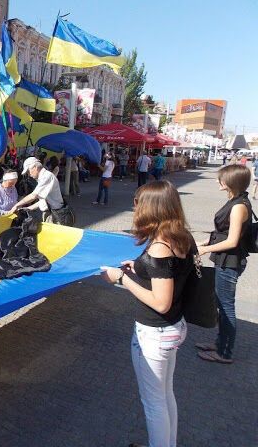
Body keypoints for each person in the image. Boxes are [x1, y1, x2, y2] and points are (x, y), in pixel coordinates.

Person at [102, 180, 193, 447]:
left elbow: (161, 301)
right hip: (173, 328)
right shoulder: (179, 236)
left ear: (152, 207)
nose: (135, 207)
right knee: (165, 395)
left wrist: (121, 278)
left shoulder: (159, 247)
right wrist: (139, 269)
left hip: (155, 333)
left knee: (153, 402)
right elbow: (167, 274)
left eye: (138, 202)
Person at [196, 165, 253, 364]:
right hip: (225, 259)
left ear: (232, 182)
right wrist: (205, 242)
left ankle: (224, 353)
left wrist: (205, 250)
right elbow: (224, 233)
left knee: (226, 306)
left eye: (221, 179)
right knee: (221, 304)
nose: (217, 181)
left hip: (229, 261)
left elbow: (232, 241)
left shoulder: (238, 206)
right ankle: (220, 343)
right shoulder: (235, 200)